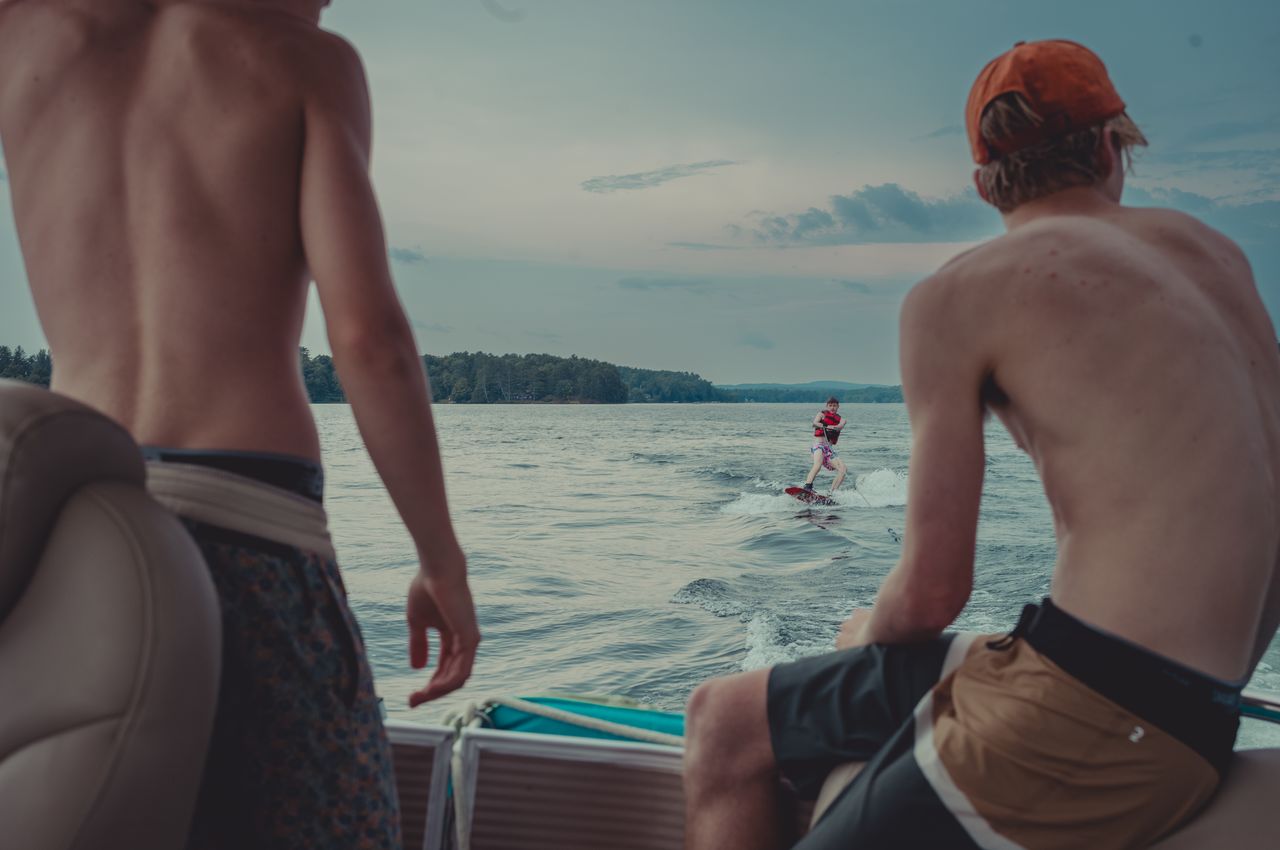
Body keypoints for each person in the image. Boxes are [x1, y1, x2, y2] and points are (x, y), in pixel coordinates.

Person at [683, 39, 1280, 849]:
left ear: (981, 182)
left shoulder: (956, 295)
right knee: (723, 717)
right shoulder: (1219, 258)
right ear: (1112, 149)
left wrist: (873, 632)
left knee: (804, 678)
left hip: (1089, 714)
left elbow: (931, 594)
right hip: (1182, 698)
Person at [0, 1, 480, 848]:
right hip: (252, 538)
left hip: (68, 536)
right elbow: (370, 341)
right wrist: (440, 560)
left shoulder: (23, 33)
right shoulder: (305, 60)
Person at [802, 396, 848, 494]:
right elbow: (815, 423)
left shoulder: (842, 420)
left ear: (838, 407)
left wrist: (833, 427)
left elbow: (839, 427)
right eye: (830, 405)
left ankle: (831, 493)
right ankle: (808, 486)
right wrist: (826, 426)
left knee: (843, 469)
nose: (832, 408)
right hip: (819, 445)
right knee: (818, 463)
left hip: (829, 449)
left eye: (834, 406)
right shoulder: (821, 414)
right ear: (827, 406)